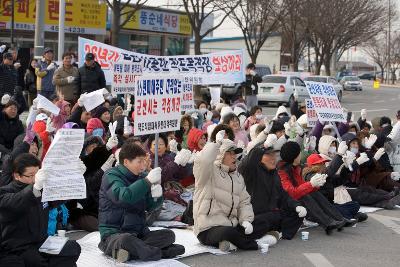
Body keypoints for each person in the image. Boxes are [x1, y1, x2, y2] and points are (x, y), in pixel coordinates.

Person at [98, 142, 185, 262]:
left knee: (169, 235)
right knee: (126, 240)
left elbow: (150, 207)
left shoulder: (141, 176)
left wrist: (157, 197)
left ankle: (130, 252)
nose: (143, 165)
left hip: (139, 233)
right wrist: (146, 182)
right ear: (126, 162)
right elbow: (123, 197)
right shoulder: (111, 175)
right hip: (114, 233)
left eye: (144, 161)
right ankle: (161, 252)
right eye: (139, 161)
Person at [194, 132, 272, 252]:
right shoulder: (208, 172)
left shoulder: (238, 177)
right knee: (228, 232)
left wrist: (246, 220)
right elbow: (203, 160)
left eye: (235, 153)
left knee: (263, 222)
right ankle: (253, 244)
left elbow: (244, 202)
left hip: (231, 224)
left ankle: (231, 244)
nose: (234, 156)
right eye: (230, 153)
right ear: (220, 155)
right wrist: (216, 144)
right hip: (208, 228)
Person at [0, 153, 81, 266]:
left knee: (72, 248)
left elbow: (58, 197)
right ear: (17, 175)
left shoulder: (42, 189)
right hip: (19, 247)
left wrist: (75, 177)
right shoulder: (5, 192)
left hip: (43, 242)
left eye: (37, 175)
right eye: (31, 175)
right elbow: (18, 201)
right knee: (36, 262)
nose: (35, 179)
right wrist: (35, 188)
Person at [278, 141, 348, 235]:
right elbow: (292, 193)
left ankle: (338, 219)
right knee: (305, 196)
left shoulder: (295, 168)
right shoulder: (282, 171)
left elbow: (302, 186)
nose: (300, 155)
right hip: (286, 204)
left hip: (296, 201)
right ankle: (327, 222)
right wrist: (311, 184)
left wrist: (315, 185)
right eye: (299, 153)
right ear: (294, 156)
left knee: (313, 193)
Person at [238, 144, 305, 240]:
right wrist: (262, 147)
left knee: (296, 212)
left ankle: (279, 234)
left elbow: (283, 195)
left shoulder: (274, 174)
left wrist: (296, 205)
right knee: (263, 221)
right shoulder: (251, 170)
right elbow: (248, 161)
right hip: (255, 215)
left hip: (273, 214)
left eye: (274, 155)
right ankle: (264, 236)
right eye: (268, 156)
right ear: (259, 157)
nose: (273, 159)